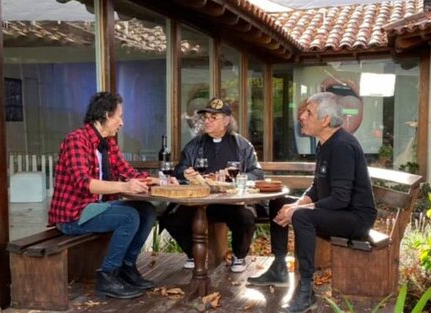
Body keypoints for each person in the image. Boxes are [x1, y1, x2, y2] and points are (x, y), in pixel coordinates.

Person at [247, 92, 377, 313]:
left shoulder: (342, 146)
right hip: (337, 211)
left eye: (309, 112)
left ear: (325, 120)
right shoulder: (325, 144)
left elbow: (340, 199)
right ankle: (279, 267)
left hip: (356, 218)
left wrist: (298, 210)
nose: (301, 117)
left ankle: (307, 290)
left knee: (300, 215)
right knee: (280, 202)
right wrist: (295, 204)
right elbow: (317, 188)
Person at [48, 91, 171, 299]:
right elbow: (85, 184)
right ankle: (107, 276)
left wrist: (160, 181)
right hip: (73, 215)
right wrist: (124, 188)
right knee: (128, 216)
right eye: (119, 116)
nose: (122, 123)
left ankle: (127, 267)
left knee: (147, 210)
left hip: (96, 209)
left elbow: (126, 170)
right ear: (106, 115)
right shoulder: (76, 141)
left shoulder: (107, 143)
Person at [159, 98, 264, 273]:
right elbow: (180, 169)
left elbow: (257, 172)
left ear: (226, 121)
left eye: (213, 118)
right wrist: (185, 173)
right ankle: (194, 254)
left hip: (231, 202)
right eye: (205, 117)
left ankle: (238, 256)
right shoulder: (195, 144)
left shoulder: (242, 145)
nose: (207, 121)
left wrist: (238, 178)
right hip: (200, 201)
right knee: (170, 216)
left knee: (245, 217)